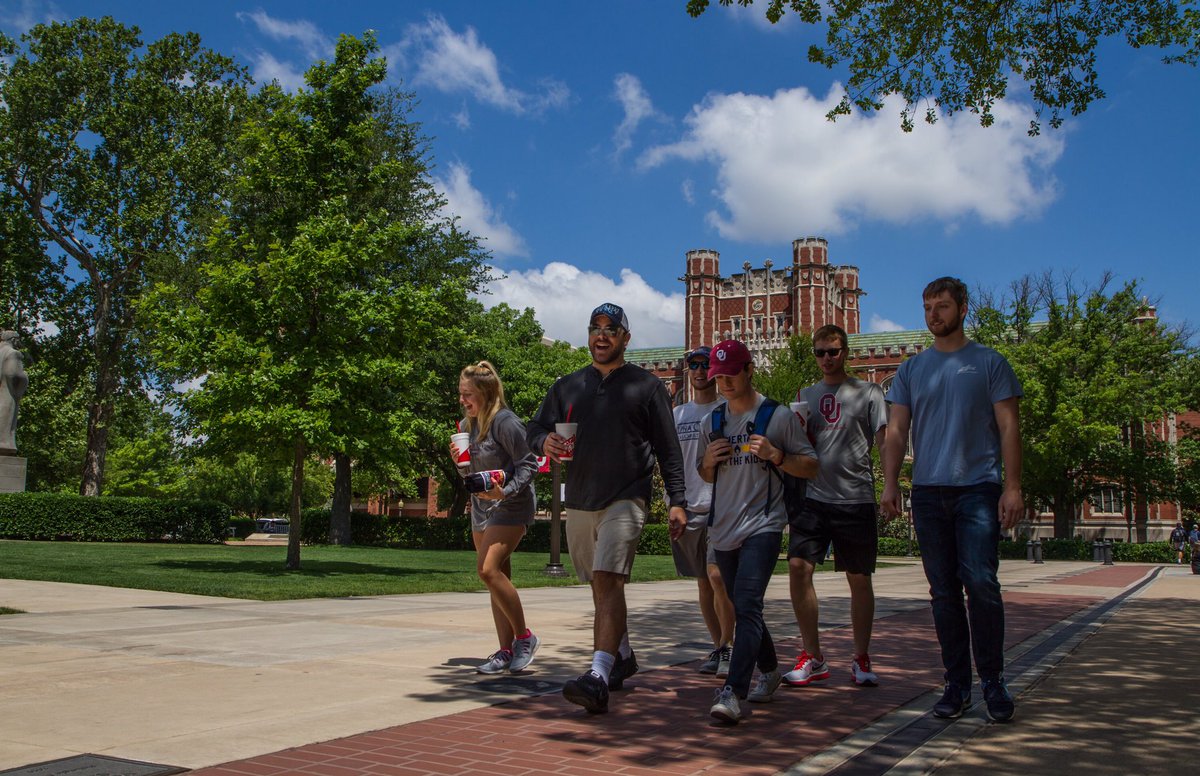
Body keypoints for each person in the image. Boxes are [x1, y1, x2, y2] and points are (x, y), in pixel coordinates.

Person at [527, 303, 687, 714]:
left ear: (625, 338)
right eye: (595, 327)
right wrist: (544, 441)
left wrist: (677, 501)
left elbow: (669, 450)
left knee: (608, 577)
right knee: (601, 586)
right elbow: (535, 427)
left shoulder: (647, 387)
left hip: (627, 496)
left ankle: (597, 676)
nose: (602, 335)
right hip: (580, 498)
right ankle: (624, 655)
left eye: (611, 329)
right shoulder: (567, 386)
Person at [881, 276, 1023, 724]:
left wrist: (1013, 486)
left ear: (962, 309)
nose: (933, 315)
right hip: (928, 491)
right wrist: (889, 484)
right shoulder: (911, 370)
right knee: (943, 593)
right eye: (927, 307)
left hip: (978, 488)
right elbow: (896, 430)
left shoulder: (989, 362)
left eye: (942, 306)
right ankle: (957, 684)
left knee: (981, 583)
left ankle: (993, 680)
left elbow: (1009, 427)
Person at [699, 339, 818, 724]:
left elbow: (811, 466)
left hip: (763, 525)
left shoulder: (777, 417)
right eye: (719, 377)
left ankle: (732, 692)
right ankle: (769, 670)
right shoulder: (711, 422)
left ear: (750, 370)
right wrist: (707, 463)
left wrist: (777, 455)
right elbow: (706, 475)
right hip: (724, 527)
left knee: (748, 602)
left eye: (731, 375)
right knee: (742, 605)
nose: (724, 383)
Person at [784, 324, 888, 689]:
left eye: (833, 351)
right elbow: (796, 443)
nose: (826, 358)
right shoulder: (805, 395)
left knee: (858, 578)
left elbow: (884, 441)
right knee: (798, 568)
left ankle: (860, 657)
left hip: (855, 497)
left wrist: (891, 484)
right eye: (820, 352)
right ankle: (813, 656)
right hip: (812, 498)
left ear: (845, 352)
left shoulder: (869, 392)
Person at [456, 361, 541, 675]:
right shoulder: (466, 426)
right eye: (461, 394)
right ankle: (505, 651)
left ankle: (525, 638)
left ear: (486, 393)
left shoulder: (506, 422)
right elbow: (470, 476)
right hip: (481, 508)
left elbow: (530, 464)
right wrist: (460, 464)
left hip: (511, 505)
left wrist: (505, 492)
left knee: (487, 570)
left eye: (468, 394)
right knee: (497, 577)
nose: (463, 400)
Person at [671, 346, 735, 678]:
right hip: (688, 508)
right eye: (692, 365)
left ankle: (729, 646)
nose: (698, 370)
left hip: (721, 505)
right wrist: (674, 502)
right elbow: (671, 462)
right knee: (703, 583)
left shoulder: (727, 410)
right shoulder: (678, 414)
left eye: (704, 364)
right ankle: (719, 646)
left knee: (717, 577)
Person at [0, 331, 28, 454]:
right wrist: (25, 376)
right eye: (18, 340)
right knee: (5, 417)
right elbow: (12, 374)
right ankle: (4, 443)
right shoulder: (13, 353)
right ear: (13, 339)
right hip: (7, 392)